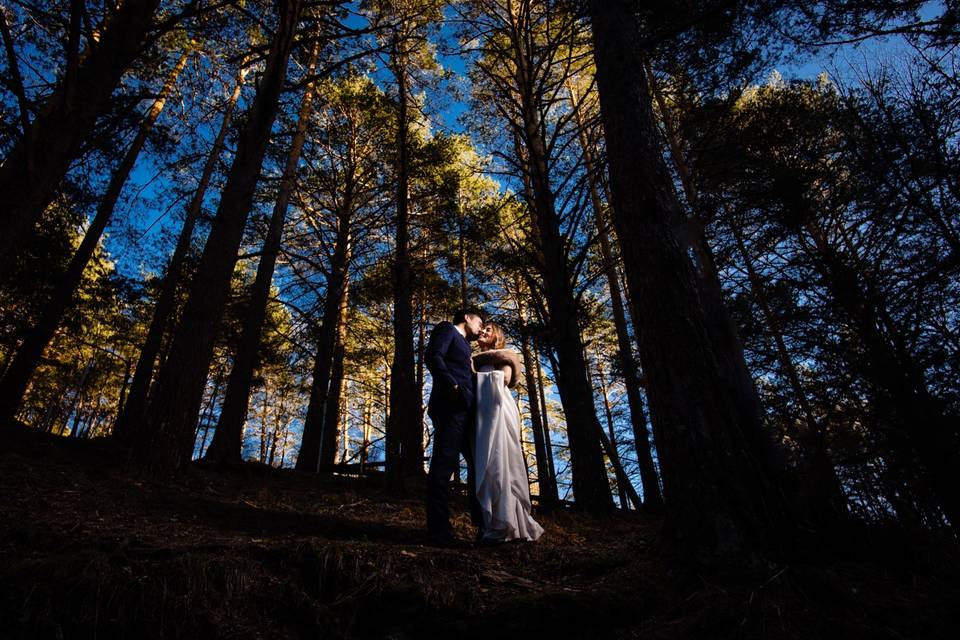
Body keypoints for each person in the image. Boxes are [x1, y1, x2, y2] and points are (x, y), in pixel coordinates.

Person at [471, 321, 544, 544]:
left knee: (501, 460)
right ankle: (491, 523)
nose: (483, 331)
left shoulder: (505, 355)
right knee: (486, 463)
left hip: (499, 410)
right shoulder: (473, 360)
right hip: (482, 415)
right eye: (482, 329)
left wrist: (473, 375)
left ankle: (508, 523)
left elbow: (504, 379)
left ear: (497, 336)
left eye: (488, 330)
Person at [424, 307, 485, 548]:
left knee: (477, 467)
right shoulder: (447, 329)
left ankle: (484, 527)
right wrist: (452, 385)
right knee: (443, 465)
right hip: (451, 407)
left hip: (467, 412)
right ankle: (439, 531)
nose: (481, 327)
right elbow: (433, 356)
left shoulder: (467, 346)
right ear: (467, 318)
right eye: (479, 322)